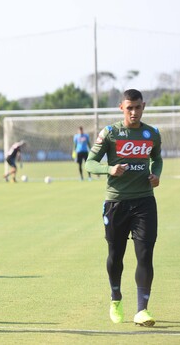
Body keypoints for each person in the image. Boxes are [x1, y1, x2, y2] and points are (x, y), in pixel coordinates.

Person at [85, 89, 162, 327]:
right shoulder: (110, 133)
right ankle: (116, 297)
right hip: (116, 203)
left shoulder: (152, 134)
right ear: (121, 108)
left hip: (144, 202)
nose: (134, 112)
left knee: (145, 255)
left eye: (138, 107)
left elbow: (157, 158)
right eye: (129, 108)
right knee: (116, 255)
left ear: (143, 106)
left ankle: (142, 310)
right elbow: (90, 163)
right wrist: (109, 169)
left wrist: (156, 175)